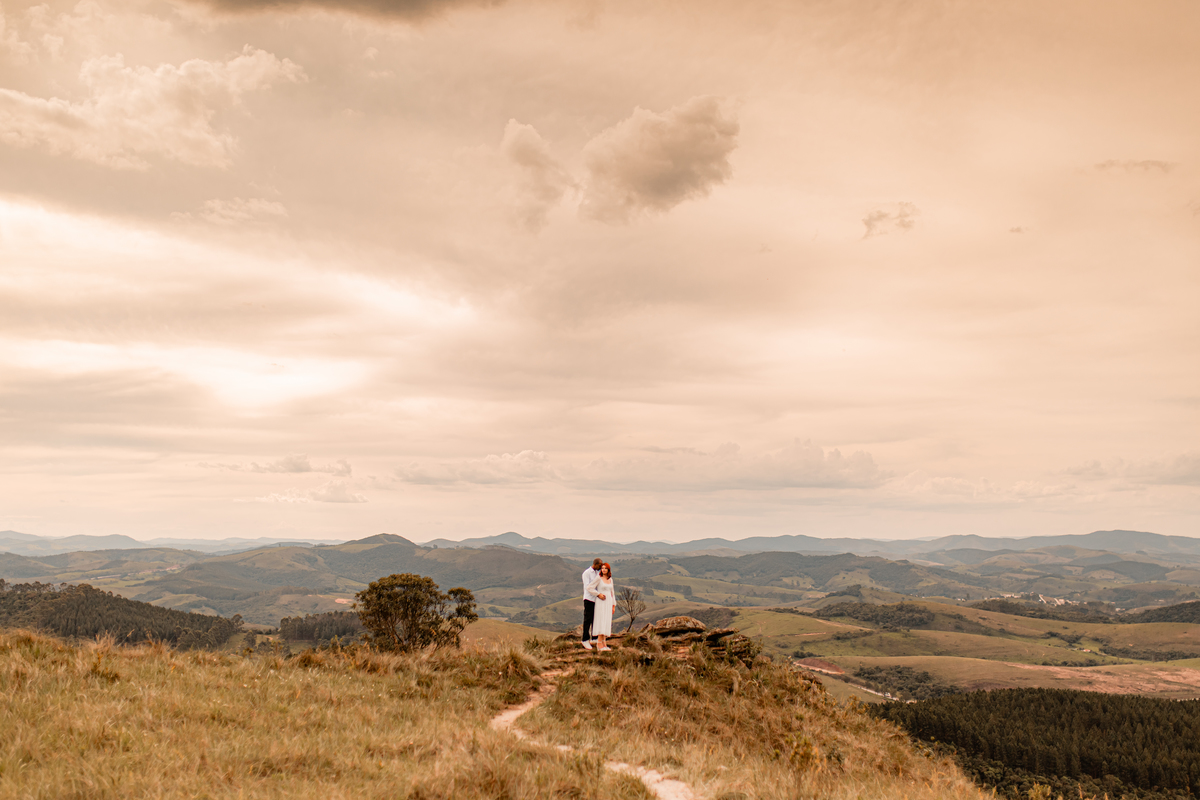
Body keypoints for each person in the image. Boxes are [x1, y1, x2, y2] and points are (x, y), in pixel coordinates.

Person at [587, 563, 615, 651]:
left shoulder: (610, 579)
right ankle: (599, 644)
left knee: (606, 621)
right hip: (601, 602)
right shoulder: (598, 578)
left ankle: (604, 643)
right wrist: (598, 594)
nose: (603, 570)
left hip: (608, 602)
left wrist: (613, 605)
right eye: (602, 568)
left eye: (605, 568)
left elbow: (612, 593)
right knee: (601, 621)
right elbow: (589, 588)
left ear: (608, 570)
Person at [581, 557, 603, 649]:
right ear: (596, 564)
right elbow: (588, 587)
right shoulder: (586, 573)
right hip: (589, 599)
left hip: (596, 599)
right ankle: (585, 639)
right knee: (588, 619)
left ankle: (594, 637)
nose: (601, 567)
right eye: (600, 565)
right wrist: (598, 594)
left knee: (595, 619)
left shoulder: (597, 573)